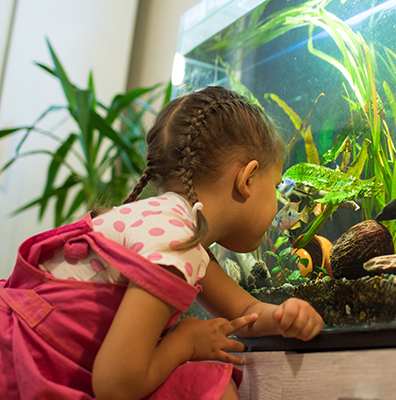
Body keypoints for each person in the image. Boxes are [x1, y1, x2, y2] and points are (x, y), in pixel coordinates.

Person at [0, 86, 324, 400]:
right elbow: (116, 384)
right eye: (277, 186)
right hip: (18, 374)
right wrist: (186, 342)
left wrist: (284, 316)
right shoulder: (174, 242)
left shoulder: (172, 230)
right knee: (208, 383)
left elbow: (245, 311)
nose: (278, 203)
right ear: (248, 179)